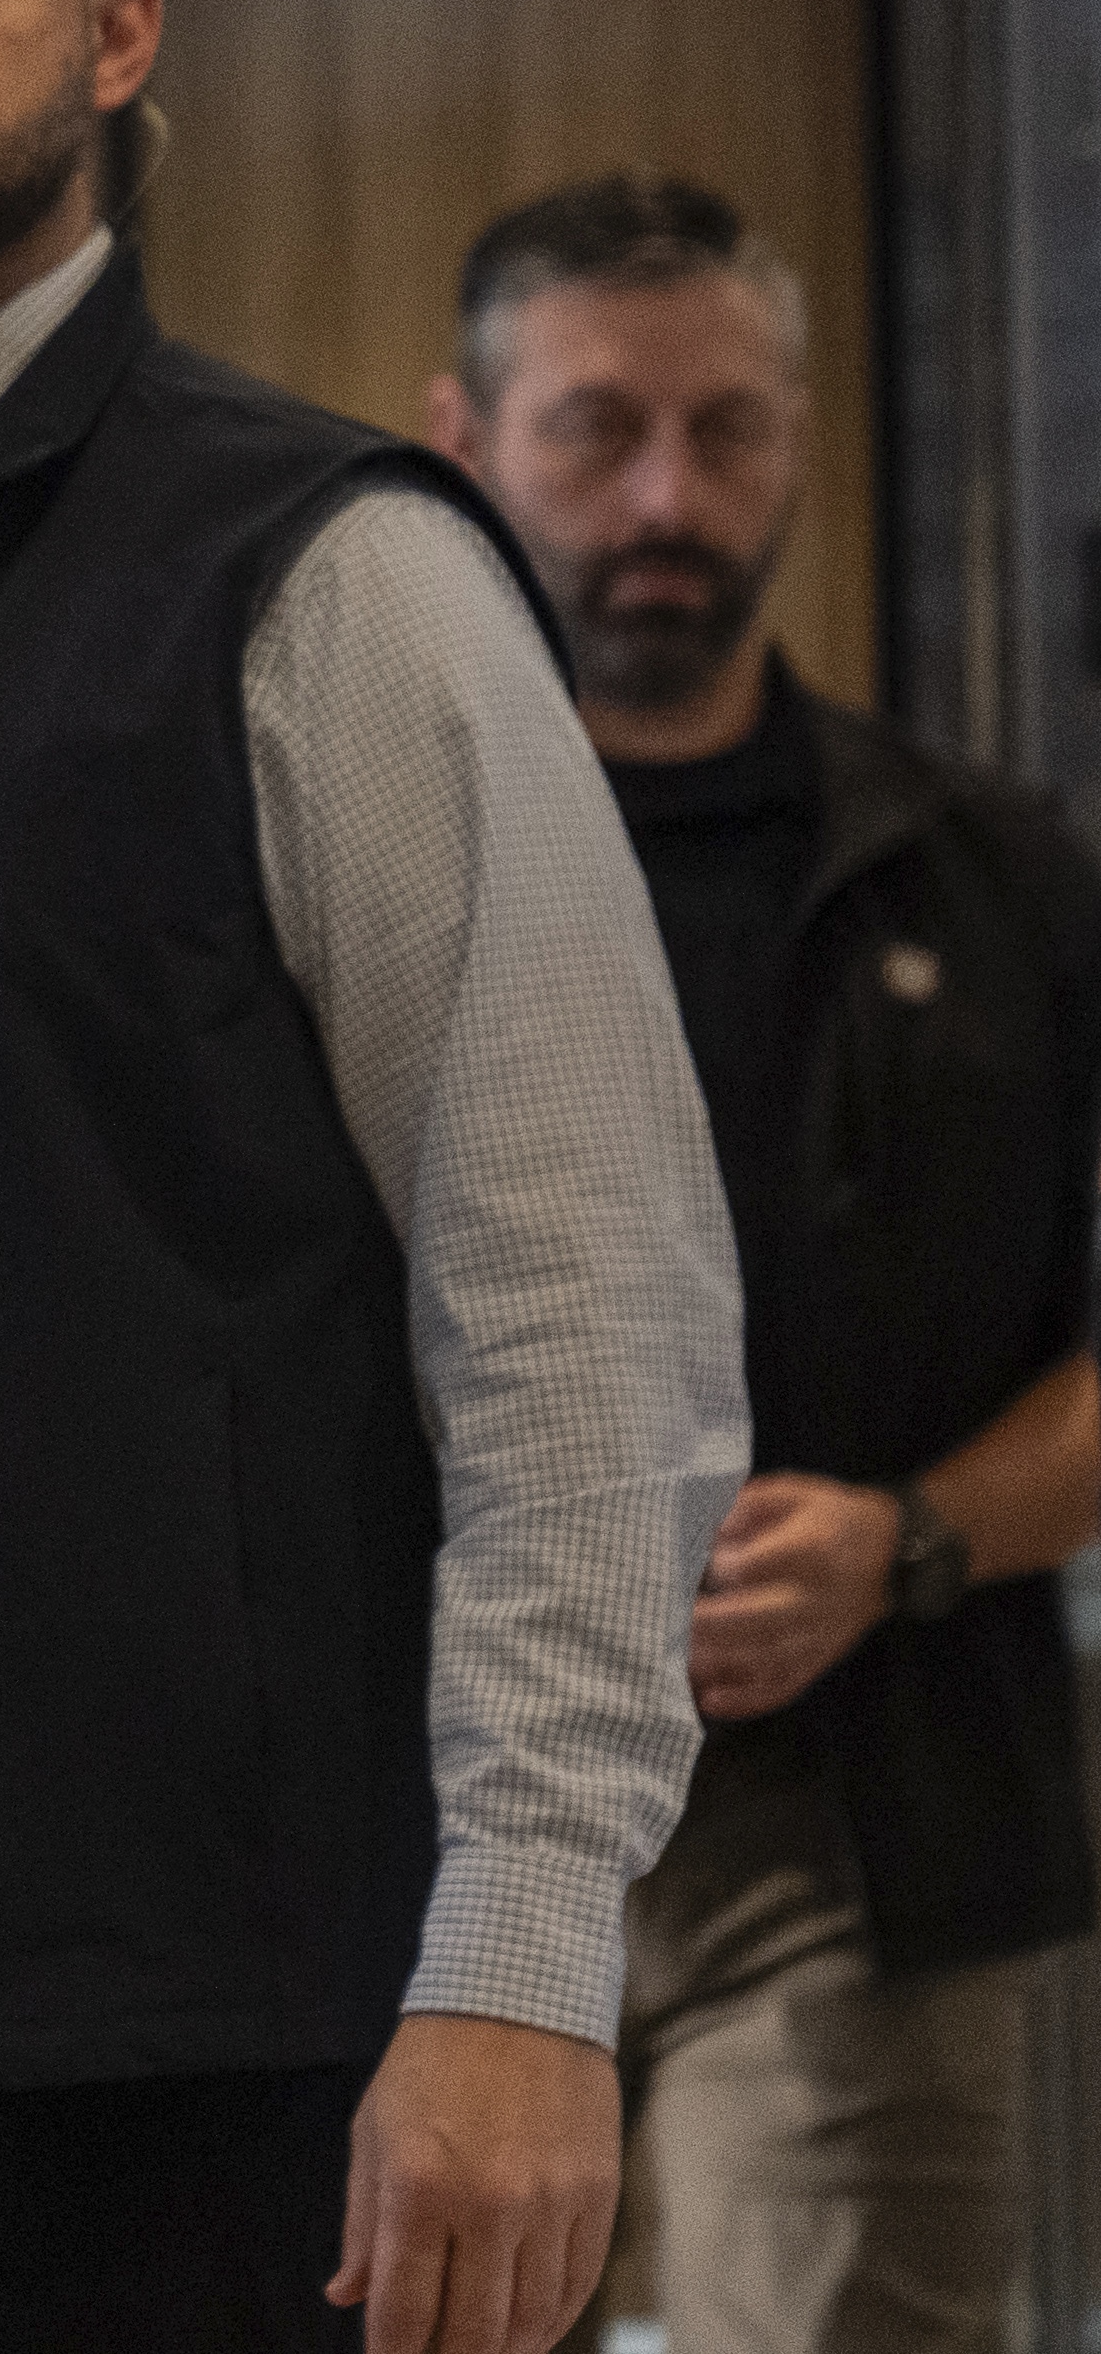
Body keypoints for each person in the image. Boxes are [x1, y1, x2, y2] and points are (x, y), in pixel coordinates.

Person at [0, 0, 747, 2354]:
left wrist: (520, 1965)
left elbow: (586, 1302)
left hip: (190, 2067)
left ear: (119, 30)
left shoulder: (322, 573)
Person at [430, 174, 1100, 2354]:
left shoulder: (997, 876)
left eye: (725, 430)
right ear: (461, 439)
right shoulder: (357, 873)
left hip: (866, 1826)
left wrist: (907, 1538)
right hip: (415, 1823)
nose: (664, 493)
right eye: (594, 425)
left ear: (801, 439)